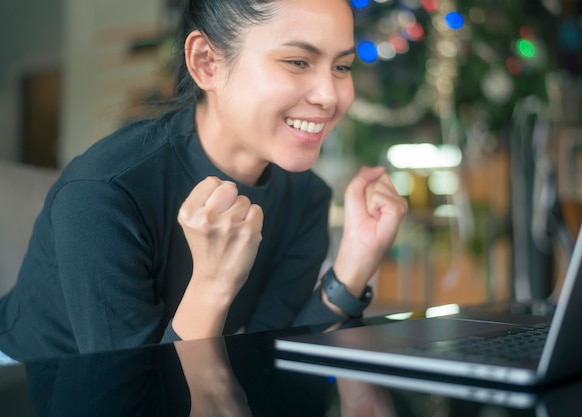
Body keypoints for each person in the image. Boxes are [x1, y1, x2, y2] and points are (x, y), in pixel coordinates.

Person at [0, 0, 407, 362]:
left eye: (341, 67)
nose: (330, 96)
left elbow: (270, 360)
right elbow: (132, 398)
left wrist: (352, 268)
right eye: (298, 62)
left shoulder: (305, 196)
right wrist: (212, 283)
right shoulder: (104, 193)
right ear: (206, 62)